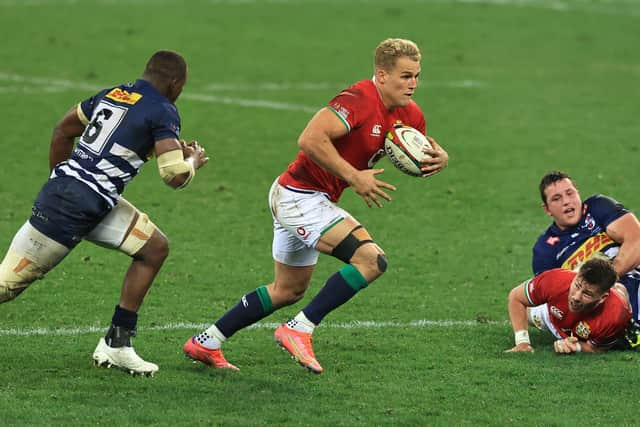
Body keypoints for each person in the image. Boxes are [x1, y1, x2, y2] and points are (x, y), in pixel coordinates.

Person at [183, 38, 449, 374]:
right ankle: (299, 329)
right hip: (298, 196)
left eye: (416, 76)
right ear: (381, 75)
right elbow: (309, 138)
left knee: (287, 290)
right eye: (405, 76)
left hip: (309, 198)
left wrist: (439, 159)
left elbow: (413, 152)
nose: (413, 84)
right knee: (372, 260)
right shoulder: (358, 99)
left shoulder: (409, 114)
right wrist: (354, 176)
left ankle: (206, 342)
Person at [0, 50, 208, 376]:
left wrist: (65, 181)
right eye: (182, 86)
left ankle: (117, 345)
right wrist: (193, 161)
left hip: (91, 201)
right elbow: (174, 176)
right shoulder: (164, 110)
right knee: (6, 286)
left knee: (154, 248)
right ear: (175, 82)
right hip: (75, 204)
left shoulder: (114, 93)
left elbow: (63, 130)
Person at [532, 170, 640, 326]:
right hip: (594, 303)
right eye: (557, 198)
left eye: (570, 193)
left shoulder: (598, 208)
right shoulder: (545, 250)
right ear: (547, 209)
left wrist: (605, 278)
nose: (566, 201)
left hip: (631, 276)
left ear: (578, 194)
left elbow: (636, 238)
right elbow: (550, 297)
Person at [506, 257, 632, 353]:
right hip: (551, 316)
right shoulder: (555, 280)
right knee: (526, 315)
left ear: (602, 298)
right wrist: (522, 343)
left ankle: (620, 290)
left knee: (621, 292)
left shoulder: (615, 314)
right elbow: (516, 298)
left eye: (587, 294)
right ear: (575, 276)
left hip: (596, 326)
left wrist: (575, 346)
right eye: (577, 285)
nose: (576, 297)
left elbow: (596, 348)